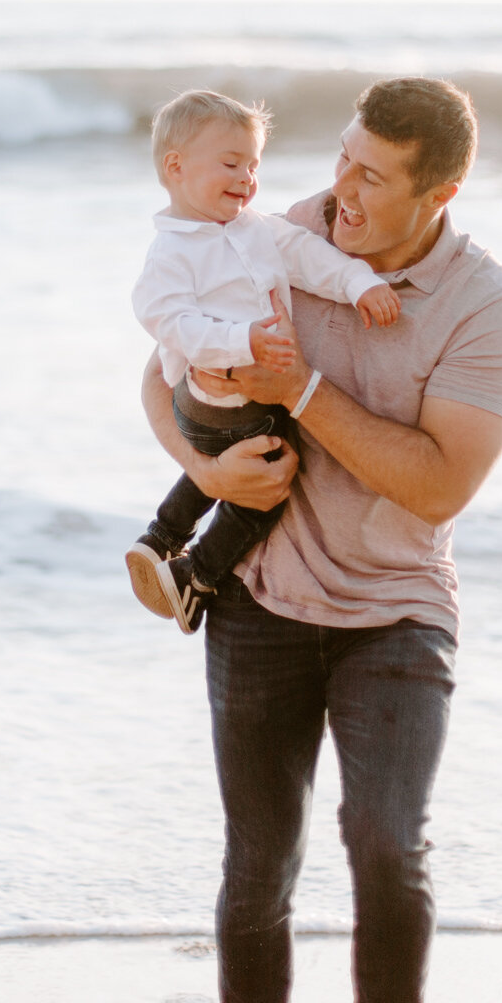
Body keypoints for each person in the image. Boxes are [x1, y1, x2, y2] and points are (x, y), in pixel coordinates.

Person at [139, 79, 502, 1003]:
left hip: (396, 609)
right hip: (259, 598)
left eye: (371, 177)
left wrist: (301, 390)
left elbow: (438, 485)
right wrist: (203, 470)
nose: (339, 191)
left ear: (439, 189)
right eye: (342, 160)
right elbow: (159, 372)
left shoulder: (484, 306)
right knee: (258, 858)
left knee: (386, 843)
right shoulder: (274, 233)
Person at [128, 90, 401, 634]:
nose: (247, 178)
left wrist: (359, 282)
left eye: (253, 166)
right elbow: (169, 322)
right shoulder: (171, 252)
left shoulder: (254, 228)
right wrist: (244, 341)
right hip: (214, 395)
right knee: (273, 473)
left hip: (231, 404)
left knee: (232, 458)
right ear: (176, 167)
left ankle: (160, 538)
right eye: (231, 164)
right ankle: (198, 577)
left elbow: (308, 256)